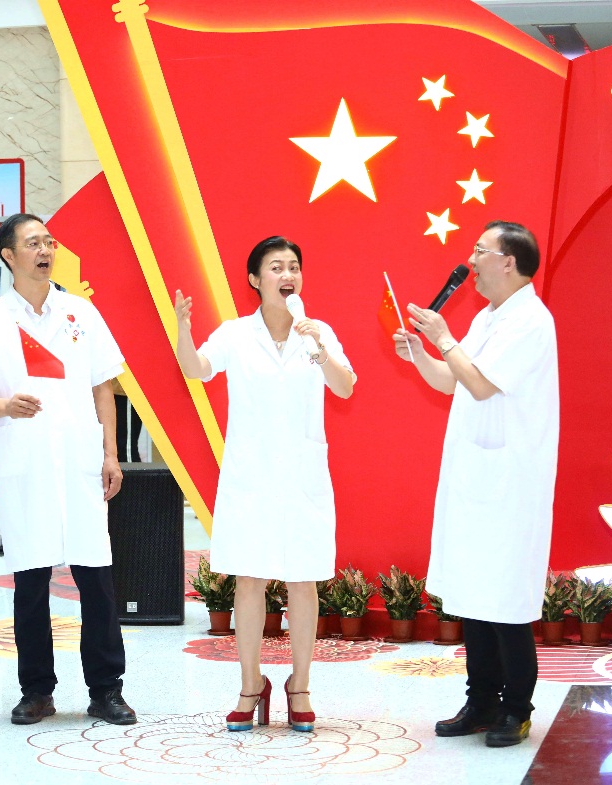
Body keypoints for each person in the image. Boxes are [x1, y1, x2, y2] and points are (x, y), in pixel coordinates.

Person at [174, 236, 355, 733]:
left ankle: (301, 686)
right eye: (276, 267)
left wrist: (318, 346)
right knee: (249, 579)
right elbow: (196, 369)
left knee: (303, 579)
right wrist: (183, 328)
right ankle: (250, 684)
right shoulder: (235, 334)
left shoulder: (318, 332)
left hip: (302, 477)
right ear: (255, 279)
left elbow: (345, 387)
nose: (287, 274)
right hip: (250, 478)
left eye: (294, 266)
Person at [0, 213, 135, 726]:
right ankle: (36, 690)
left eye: (49, 242)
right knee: (31, 581)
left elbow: (103, 386)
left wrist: (110, 453)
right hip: (27, 466)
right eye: (33, 243)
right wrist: (5, 406)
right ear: (8, 255)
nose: (45, 251)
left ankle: (106, 689)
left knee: (96, 579)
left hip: (80, 462)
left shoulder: (81, 312)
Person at [394, 221, 558, 748]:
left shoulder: (530, 321)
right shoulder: (489, 316)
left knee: (505, 598)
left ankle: (517, 709)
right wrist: (421, 354)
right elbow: (454, 380)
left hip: (511, 483)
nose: (471, 261)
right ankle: (481, 700)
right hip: (475, 478)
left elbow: (483, 385)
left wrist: (442, 338)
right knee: (474, 594)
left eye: (480, 251)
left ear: (508, 262)